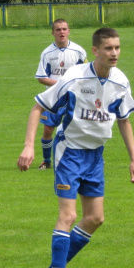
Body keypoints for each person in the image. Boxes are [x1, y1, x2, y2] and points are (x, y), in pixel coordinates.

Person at [18, 27, 134, 268]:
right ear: (95, 50)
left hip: (95, 157)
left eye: (118, 48)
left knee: (95, 218)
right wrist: (29, 146)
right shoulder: (73, 77)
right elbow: (38, 107)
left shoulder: (121, 82)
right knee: (68, 215)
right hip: (69, 153)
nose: (115, 53)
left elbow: (124, 119)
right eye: (109, 48)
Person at [35, 18, 88, 169]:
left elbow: (86, 74)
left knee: (82, 128)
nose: (61, 32)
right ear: (53, 33)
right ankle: (47, 161)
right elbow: (41, 78)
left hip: (74, 96)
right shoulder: (47, 53)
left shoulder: (78, 51)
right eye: (58, 30)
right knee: (47, 129)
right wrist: (61, 85)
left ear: (69, 31)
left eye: (64, 29)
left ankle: (91, 157)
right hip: (53, 98)